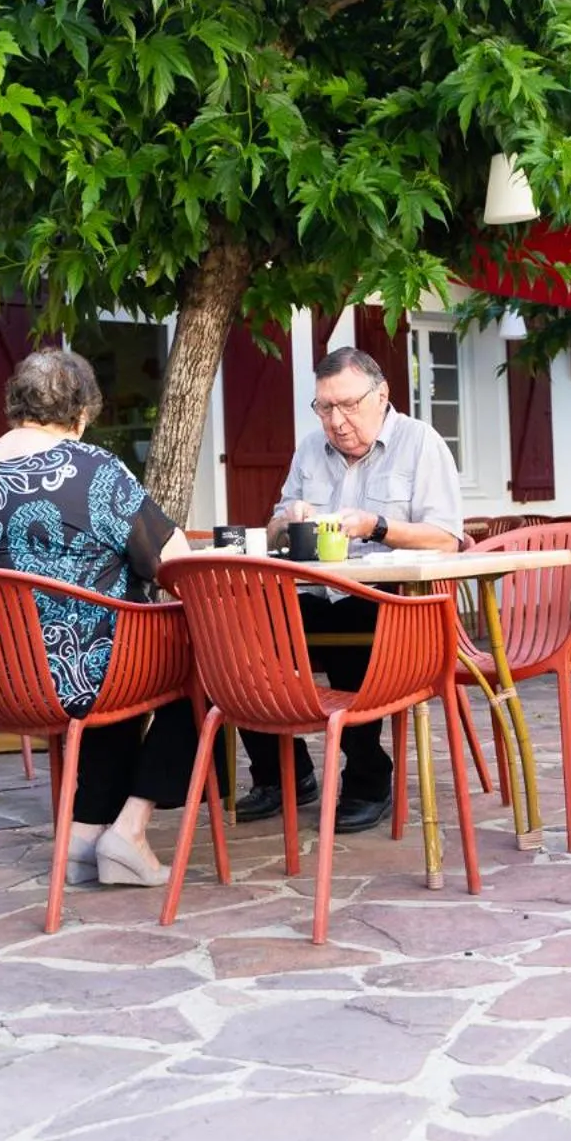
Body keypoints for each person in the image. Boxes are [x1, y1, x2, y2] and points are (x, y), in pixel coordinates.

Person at [0, 347, 200, 889]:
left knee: (115, 648)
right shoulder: (91, 468)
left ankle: (84, 834)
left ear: (16, 406)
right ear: (81, 414)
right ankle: (129, 828)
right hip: (81, 677)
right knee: (204, 662)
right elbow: (175, 559)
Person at [235, 345, 463, 833]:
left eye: (348, 405)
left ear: (381, 396)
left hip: (397, 604)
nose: (336, 421)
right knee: (239, 635)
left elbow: (446, 537)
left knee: (356, 623)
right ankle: (284, 774)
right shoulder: (308, 451)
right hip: (317, 593)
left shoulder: (421, 444)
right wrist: (285, 522)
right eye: (324, 408)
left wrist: (375, 526)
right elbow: (274, 524)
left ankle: (367, 779)